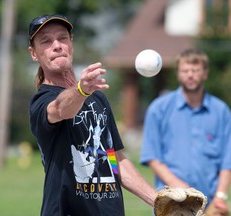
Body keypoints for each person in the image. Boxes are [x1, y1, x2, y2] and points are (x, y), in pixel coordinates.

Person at [28, 14, 157, 216]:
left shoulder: (98, 98)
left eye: (62, 38)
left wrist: (157, 200)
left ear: (71, 44)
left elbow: (114, 159)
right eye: (45, 41)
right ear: (34, 53)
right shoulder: (41, 102)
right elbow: (61, 109)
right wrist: (81, 90)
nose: (57, 45)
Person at [140, 48, 231, 216]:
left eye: (195, 70)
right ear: (178, 74)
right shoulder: (159, 108)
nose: (190, 75)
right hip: (170, 204)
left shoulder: (221, 111)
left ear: (205, 73)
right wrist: (181, 191)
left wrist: (220, 197)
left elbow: (227, 161)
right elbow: (152, 157)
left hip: (210, 205)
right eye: (185, 70)